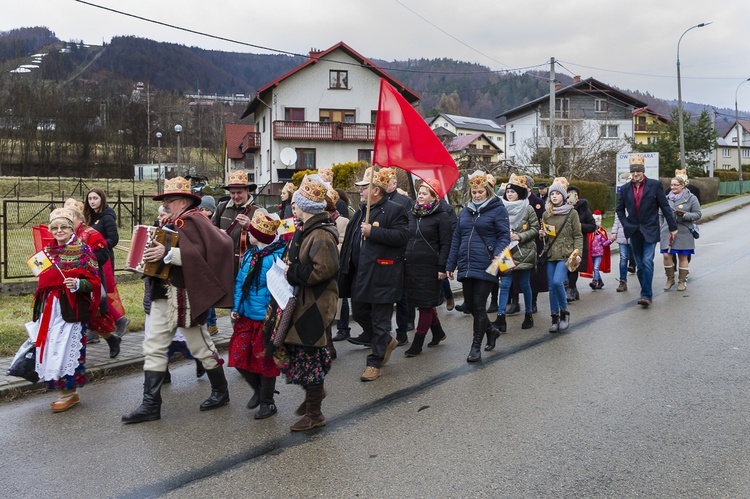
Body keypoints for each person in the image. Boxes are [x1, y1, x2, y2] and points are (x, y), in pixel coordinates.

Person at [122, 176, 235, 424]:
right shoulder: (171, 222)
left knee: (200, 347)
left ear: (183, 201)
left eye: (169, 201)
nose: (165, 206)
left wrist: (168, 253)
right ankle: (150, 405)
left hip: (185, 296)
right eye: (165, 201)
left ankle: (220, 391)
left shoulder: (195, 220)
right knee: (153, 346)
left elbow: (206, 255)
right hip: (162, 295)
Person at [339, 167, 409, 381]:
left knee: (380, 321)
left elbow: (403, 236)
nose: (359, 191)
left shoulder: (395, 210)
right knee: (359, 313)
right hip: (360, 275)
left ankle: (375, 361)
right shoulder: (361, 210)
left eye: (364, 188)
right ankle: (385, 340)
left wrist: (374, 232)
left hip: (382, 275)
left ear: (376, 190)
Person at [285, 174, 340, 431]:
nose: (293, 207)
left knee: (310, 359)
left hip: (316, 306)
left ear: (306, 206)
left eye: (296, 203)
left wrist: (292, 272)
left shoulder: (321, 235)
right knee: (304, 354)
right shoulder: (308, 230)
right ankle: (312, 399)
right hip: (306, 302)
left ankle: (315, 413)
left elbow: (322, 271)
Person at [32, 208, 100, 412]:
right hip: (51, 309)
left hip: (72, 309)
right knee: (51, 348)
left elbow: (94, 282)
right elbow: (40, 279)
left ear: (72, 229)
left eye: (64, 227)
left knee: (66, 350)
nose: (59, 231)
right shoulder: (47, 253)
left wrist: (78, 284)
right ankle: (67, 393)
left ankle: (68, 393)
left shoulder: (84, 250)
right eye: (55, 228)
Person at [446, 171, 510, 362]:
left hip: (488, 263)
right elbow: (457, 238)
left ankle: (475, 347)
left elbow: (504, 235)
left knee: (479, 306)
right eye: (474, 192)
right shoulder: (465, 211)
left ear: (488, 190)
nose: (477, 195)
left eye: (480, 191)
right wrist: (450, 263)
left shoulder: (498, 209)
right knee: (472, 306)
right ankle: (491, 331)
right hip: (467, 264)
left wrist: (498, 254)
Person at [229, 209, 286, 419]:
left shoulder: (278, 257)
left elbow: (281, 290)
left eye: (251, 232)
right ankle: (259, 390)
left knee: (264, 362)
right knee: (237, 356)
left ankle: (267, 402)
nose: (247, 234)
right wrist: (236, 307)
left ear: (260, 236)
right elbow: (239, 283)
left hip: (266, 319)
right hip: (245, 316)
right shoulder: (250, 254)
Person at [615, 155, 677, 307]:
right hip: (634, 230)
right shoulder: (625, 189)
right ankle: (645, 290)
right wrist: (625, 223)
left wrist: (673, 227)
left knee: (647, 260)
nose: (636, 174)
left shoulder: (654, 185)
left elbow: (665, 207)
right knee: (640, 264)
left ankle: (646, 295)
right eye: (633, 171)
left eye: (638, 171)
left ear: (643, 171)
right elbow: (619, 209)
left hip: (650, 229)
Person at [65, 201, 122, 358]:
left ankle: (110, 340)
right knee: (76, 317)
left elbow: (103, 256)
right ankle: (75, 354)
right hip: (70, 283)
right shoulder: (67, 235)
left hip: (90, 281)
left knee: (94, 317)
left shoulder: (91, 234)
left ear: (78, 218)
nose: (66, 223)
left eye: (69, 219)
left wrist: (83, 260)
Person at [403, 178, 451, 356]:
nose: (420, 196)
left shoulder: (442, 217)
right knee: (424, 303)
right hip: (411, 266)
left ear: (433, 197)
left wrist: (442, 267)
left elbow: (446, 244)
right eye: (419, 193)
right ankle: (438, 332)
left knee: (424, 305)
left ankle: (417, 343)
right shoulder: (412, 214)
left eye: (424, 193)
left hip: (431, 267)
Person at [492, 174, 539, 334]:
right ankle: (500, 317)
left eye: (512, 192)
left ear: (520, 192)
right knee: (505, 285)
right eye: (508, 192)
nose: (509, 194)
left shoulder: (528, 208)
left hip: (524, 251)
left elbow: (535, 229)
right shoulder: (501, 208)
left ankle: (528, 315)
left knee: (525, 284)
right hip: (506, 252)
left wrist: (519, 236)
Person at [84, 188, 130, 337]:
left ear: (102, 199)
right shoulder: (90, 216)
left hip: (104, 259)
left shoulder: (107, 217)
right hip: (92, 258)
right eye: (90, 199)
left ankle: (118, 320)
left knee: (101, 293)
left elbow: (113, 239)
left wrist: (98, 245)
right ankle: (96, 329)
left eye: (95, 198)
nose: (92, 202)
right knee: (95, 293)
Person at [539, 178, 582, 332]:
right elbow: (547, 236)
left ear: (564, 196)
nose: (554, 196)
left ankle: (564, 313)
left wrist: (578, 253)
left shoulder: (572, 213)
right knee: (551, 287)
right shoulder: (546, 214)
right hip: (551, 254)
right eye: (552, 194)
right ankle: (554, 317)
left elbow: (578, 235)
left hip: (566, 254)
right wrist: (542, 233)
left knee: (558, 282)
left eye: (558, 193)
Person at [382, 167, 414, 345]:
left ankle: (403, 328)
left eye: (388, 182)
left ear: (394, 183)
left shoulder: (404, 201)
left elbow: (407, 228)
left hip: (400, 252)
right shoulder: (375, 201)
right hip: (382, 253)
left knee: (402, 295)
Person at [660, 172, 701, 292]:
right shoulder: (666, 198)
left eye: (676, 185)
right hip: (667, 231)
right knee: (667, 255)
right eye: (671, 185)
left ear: (683, 185)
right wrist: (661, 227)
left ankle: (682, 281)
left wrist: (685, 215)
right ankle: (670, 279)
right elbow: (660, 214)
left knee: (683, 256)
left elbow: (698, 214)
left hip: (684, 231)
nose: (672, 187)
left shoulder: (691, 198)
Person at [211, 170, 258, 274]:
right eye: (232, 193)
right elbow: (210, 229)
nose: (236, 196)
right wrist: (218, 233)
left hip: (247, 264)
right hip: (223, 262)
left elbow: (265, 240)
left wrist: (250, 227)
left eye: (239, 192)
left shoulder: (258, 211)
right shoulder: (221, 207)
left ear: (247, 190)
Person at [565, 185, 595, 302]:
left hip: (579, 242)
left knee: (574, 267)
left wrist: (580, 226)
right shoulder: (563, 208)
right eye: (570, 193)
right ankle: (573, 289)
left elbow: (592, 226)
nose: (572, 195)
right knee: (566, 267)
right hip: (565, 242)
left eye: (575, 193)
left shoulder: (583, 209)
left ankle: (571, 288)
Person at [198, 195, 219, 336]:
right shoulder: (198, 223)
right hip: (201, 263)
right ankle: (211, 322)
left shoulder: (213, 224)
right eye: (202, 209)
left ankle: (212, 323)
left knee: (209, 295)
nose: (205, 213)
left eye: (207, 210)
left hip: (212, 263)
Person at [588, 210, 611, 290]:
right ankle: (600, 282)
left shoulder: (601, 232)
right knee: (595, 268)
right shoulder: (590, 232)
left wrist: (610, 240)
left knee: (596, 268)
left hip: (599, 254)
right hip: (592, 253)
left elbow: (604, 244)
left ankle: (595, 281)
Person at [608, 213, 630, 292]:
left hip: (634, 236)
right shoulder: (621, 206)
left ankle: (644, 282)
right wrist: (614, 232)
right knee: (623, 258)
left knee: (639, 260)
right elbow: (617, 221)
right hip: (622, 236)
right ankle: (623, 281)